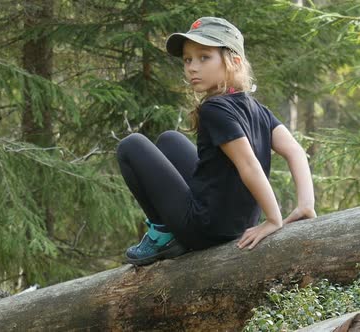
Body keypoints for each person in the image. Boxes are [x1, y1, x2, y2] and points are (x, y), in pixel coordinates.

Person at [117, 17, 316, 266]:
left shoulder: (215, 109)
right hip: (235, 222)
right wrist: (306, 204)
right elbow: (295, 151)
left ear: (234, 61)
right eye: (188, 59)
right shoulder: (257, 109)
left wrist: (274, 219)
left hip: (207, 229)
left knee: (131, 146)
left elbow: (249, 165)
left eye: (204, 57)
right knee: (170, 140)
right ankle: (169, 233)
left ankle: (163, 236)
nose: (192, 67)